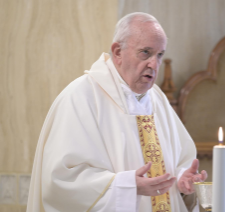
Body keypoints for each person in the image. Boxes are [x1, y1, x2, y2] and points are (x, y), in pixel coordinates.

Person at [27, 12, 207, 212]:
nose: (154, 65)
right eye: (145, 52)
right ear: (117, 52)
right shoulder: (81, 97)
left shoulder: (158, 99)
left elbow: (179, 159)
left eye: (160, 54)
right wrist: (129, 186)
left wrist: (182, 179)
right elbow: (62, 181)